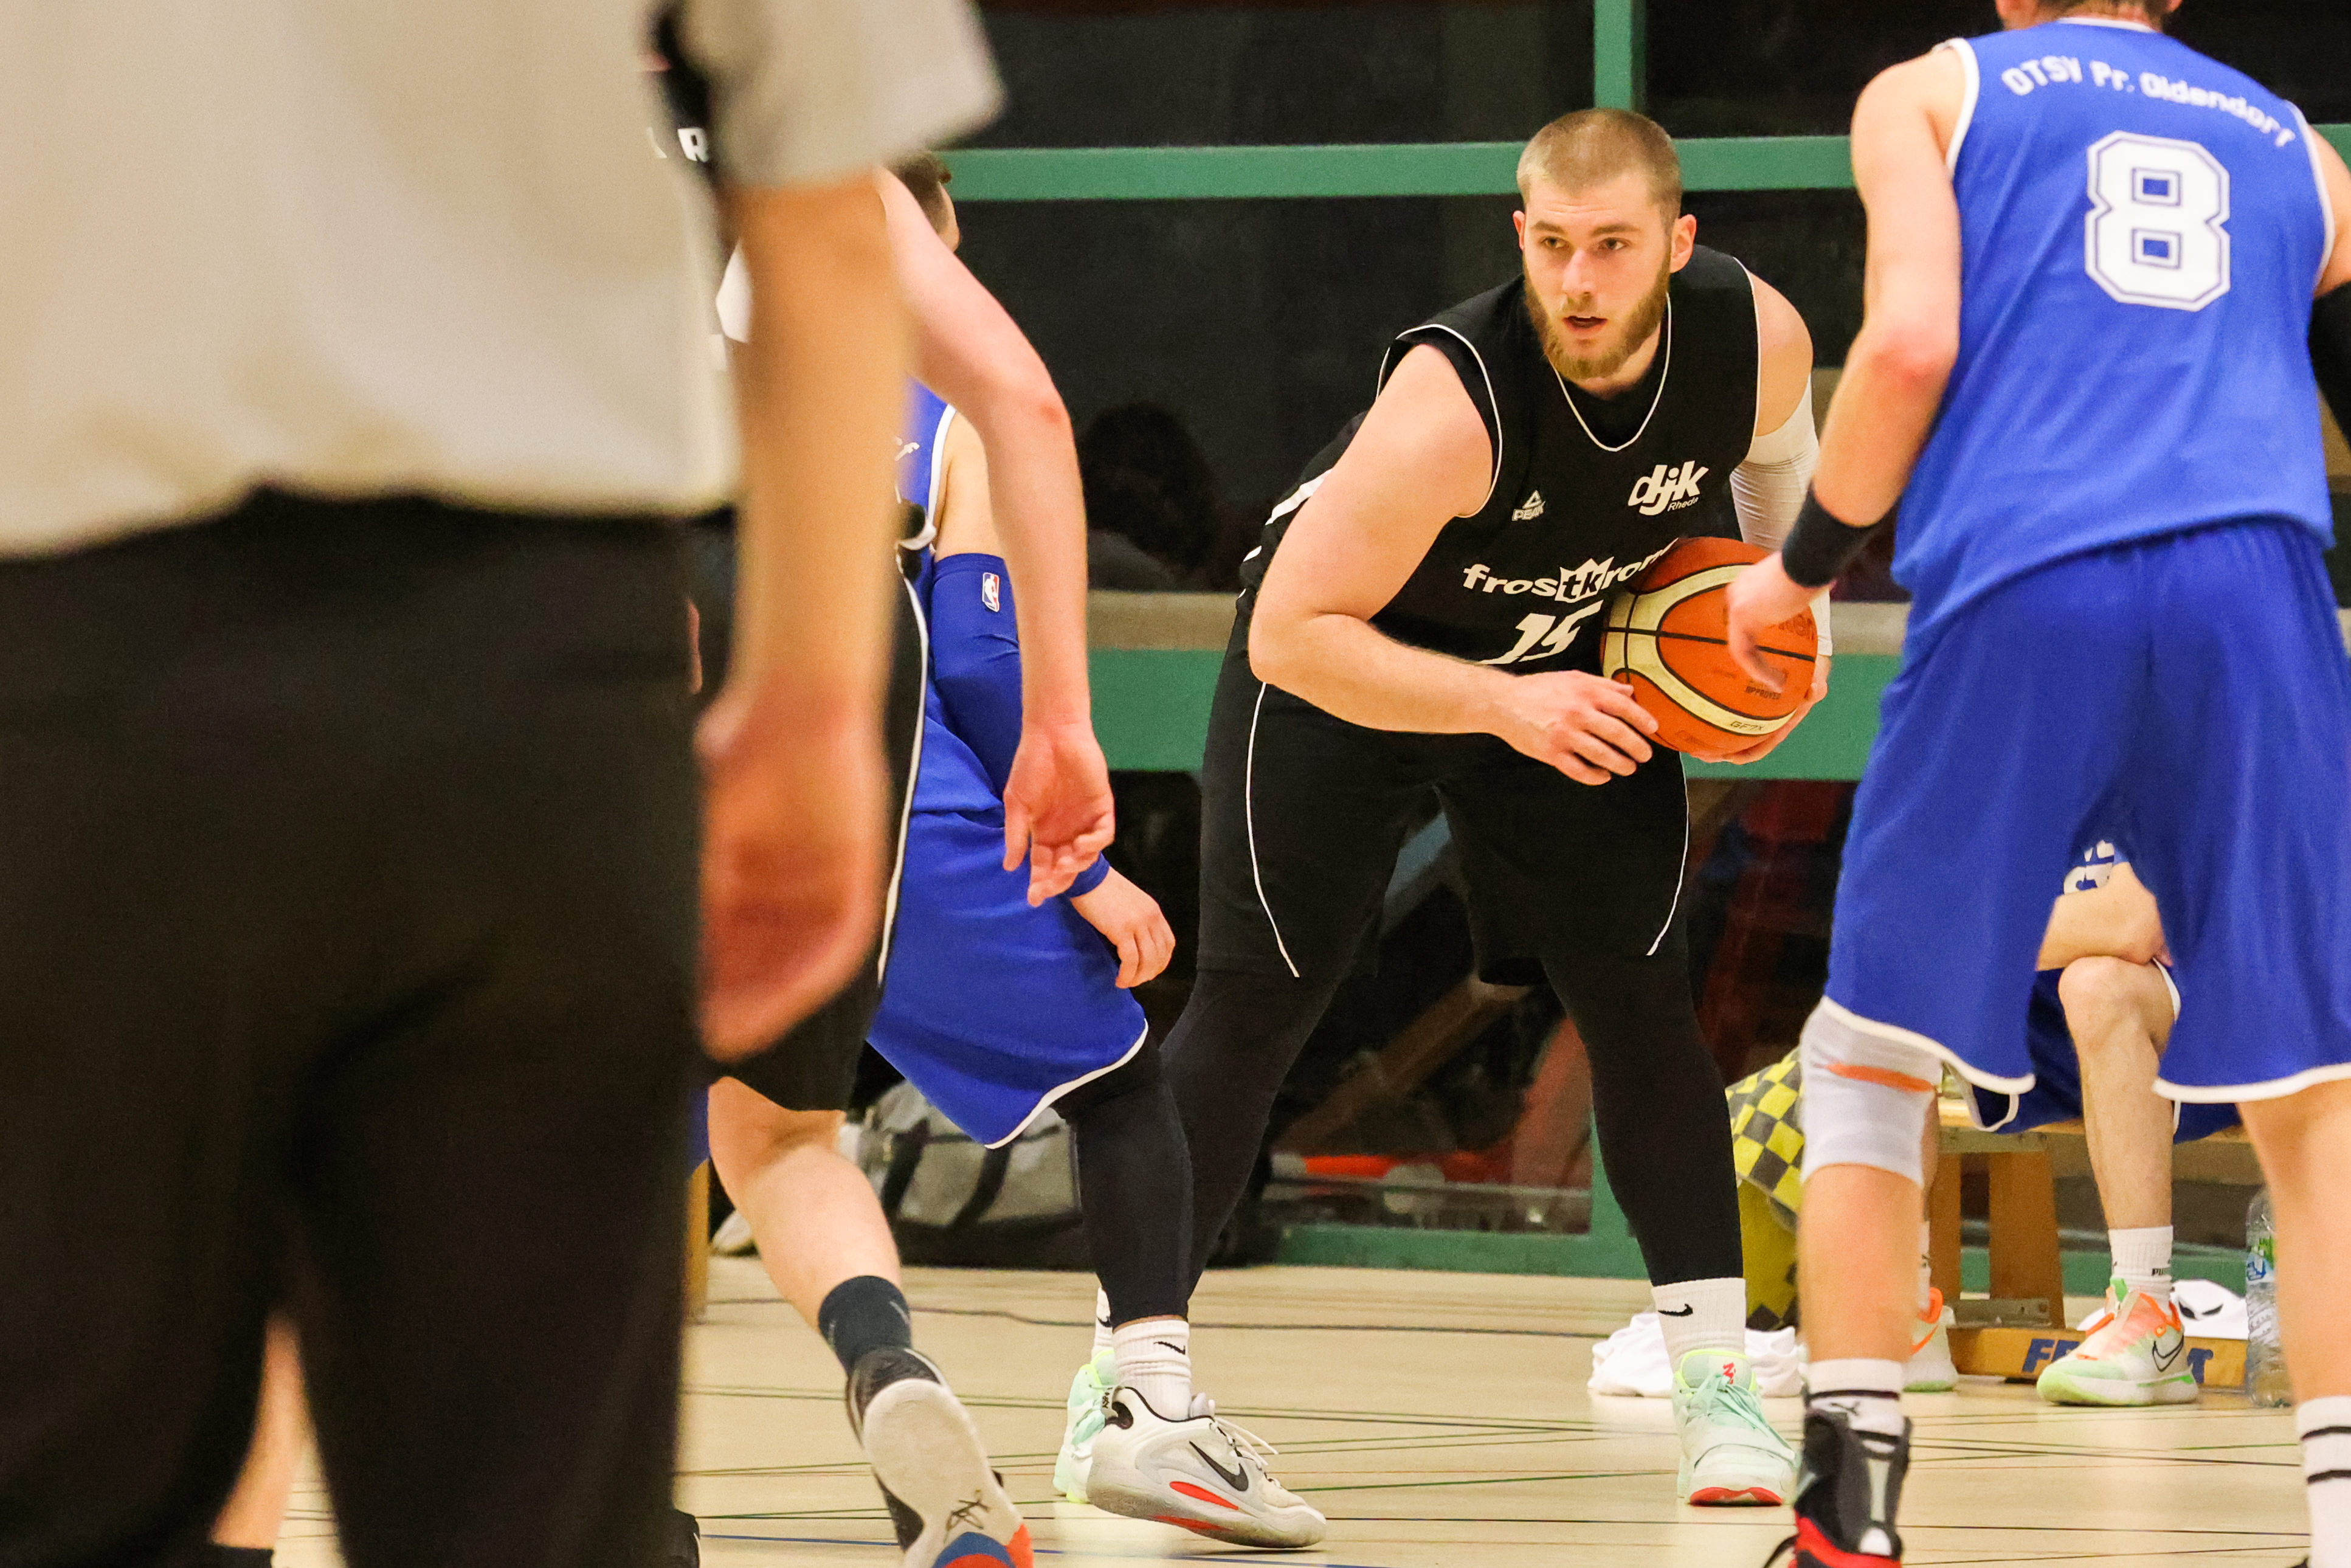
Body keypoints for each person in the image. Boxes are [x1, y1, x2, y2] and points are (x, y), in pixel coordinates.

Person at [0, 2, 999, 1565]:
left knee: (74, 1478)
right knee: (526, 1498)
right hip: (532, 677)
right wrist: (812, 701)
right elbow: (823, 197)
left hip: (96, 662)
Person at [1078, 106, 1833, 1539]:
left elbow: (1775, 504)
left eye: (1611, 246)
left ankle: (1717, 1389)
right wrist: (1499, 707)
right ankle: (1129, 1387)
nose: (1578, 281)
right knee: (1257, 1002)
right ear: (1518, 239)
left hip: (1557, 659)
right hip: (1347, 665)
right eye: (1550, 245)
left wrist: (1780, 633)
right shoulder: (1454, 404)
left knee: (1639, 1002)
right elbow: (1293, 630)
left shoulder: (1756, 339)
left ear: (1677, 243)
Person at [1723, 1, 2351, 1563]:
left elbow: (1908, 345)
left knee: (1864, 1054)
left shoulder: (1932, 91)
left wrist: (1795, 569)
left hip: (2031, 567)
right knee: (2307, 1097)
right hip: (2256, 589)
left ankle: (1847, 1507)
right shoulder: (2295, 146)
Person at [666, 41, 1115, 1549]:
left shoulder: (513, 127)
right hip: (837, 605)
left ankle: (617, 1506)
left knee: (553, 1105)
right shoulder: (817, 148)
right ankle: (888, 1370)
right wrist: (1062, 723)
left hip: (610, 593)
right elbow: (1027, 407)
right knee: (785, 1129)